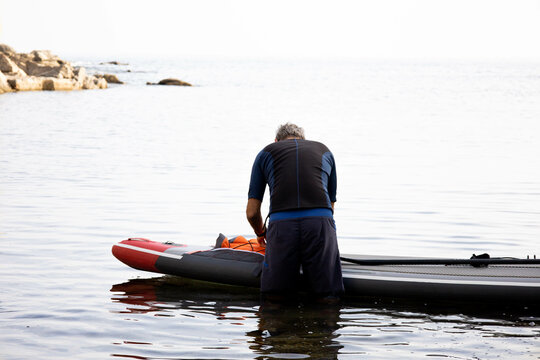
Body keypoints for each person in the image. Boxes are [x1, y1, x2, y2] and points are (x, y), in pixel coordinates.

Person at [246, 123, 344, 301]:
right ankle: (326, 324)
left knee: (274, 300)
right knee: (329, 298)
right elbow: (330, 206)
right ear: (304, 141)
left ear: (276, 141)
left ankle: (276, 324)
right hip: (320, 224)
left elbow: (252, 213)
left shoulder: (266, 152)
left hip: (282, 226)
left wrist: (261, 233)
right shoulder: (324, 150)